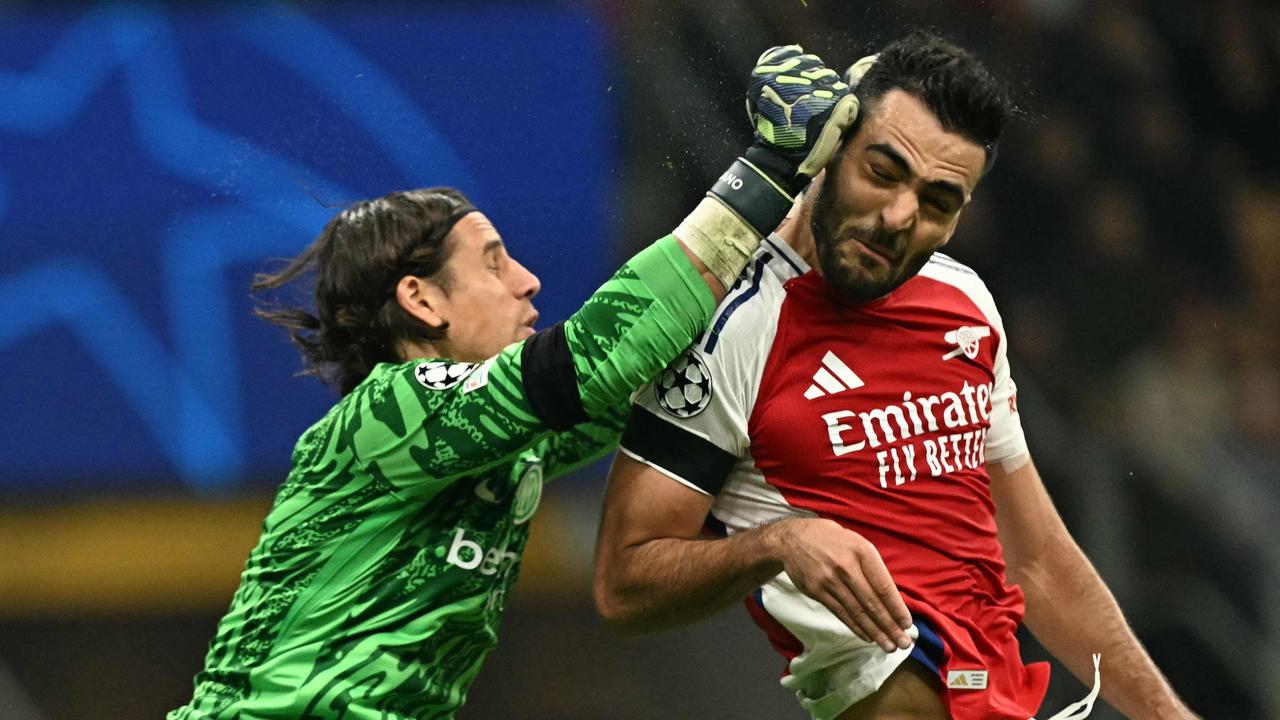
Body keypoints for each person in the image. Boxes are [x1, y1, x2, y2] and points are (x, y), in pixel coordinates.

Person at [168, 46, 861, 719]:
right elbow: (595, 358)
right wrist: (767, 166)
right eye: (494, 264)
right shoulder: (392, 412)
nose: (528, 281)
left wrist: (818, 188)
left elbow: (661, 372)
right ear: (423, 300)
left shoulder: (500, 443)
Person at [592, 32, 1198, 720]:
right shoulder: (728, 324)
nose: (899, 216)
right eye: (882, 171)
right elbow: (624, 582)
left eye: (938, 202)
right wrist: (778, 544)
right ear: (830, 152)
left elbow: (1038, 559)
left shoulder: (964, 303)